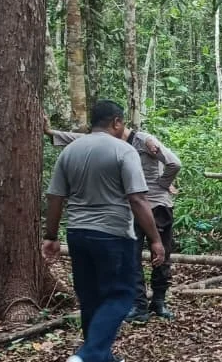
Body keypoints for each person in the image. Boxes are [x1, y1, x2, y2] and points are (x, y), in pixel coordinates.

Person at [42, 100, 165, 362]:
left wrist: (50, 236)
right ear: (117, 122)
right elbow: (137, 198)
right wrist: (156, 239)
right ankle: (87, 357)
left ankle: (101, 356)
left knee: (90, 296)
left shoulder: (70, 151)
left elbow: (55, 197)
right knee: (120, 296)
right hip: (112, 234)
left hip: (77, 234)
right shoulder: (124, 150)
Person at [46, 116, 181, 322]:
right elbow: (79, 139)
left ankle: (159, 301)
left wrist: (162, 184)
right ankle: (139, 306)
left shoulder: (144, 140)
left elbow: (173, 163)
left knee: (161, 255)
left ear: (118, 125)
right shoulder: (111, 144)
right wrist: (50, 133)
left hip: (156, 206)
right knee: (131, 257)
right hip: (132, 208)